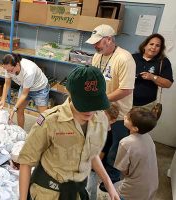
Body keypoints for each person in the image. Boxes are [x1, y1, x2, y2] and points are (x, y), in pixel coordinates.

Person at [18, 65, 120, 200]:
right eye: (84, 103)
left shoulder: (100, 120)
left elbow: (91, 153)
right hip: (48, 193)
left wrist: (109, 184)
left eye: (94, 103)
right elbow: (26, 161)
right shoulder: (50, 121)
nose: (89, 111)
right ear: (69, 93)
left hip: (77, 192)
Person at [85, 24, 136, 188]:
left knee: (116, 146)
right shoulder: (97, 56)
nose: (95, 46)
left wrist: (103, 99)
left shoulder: (124, 58)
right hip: (101, 110)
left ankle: (112, 178)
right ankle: (97, 167)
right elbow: (94, 78)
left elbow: (126, 89)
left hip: (119, 114)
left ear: (109, 40)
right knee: (100, 140)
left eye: (98, 42)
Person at [114, 107, 158, 200]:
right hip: (152, 184)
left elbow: (123, 169)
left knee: (115, 193)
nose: (125, 116)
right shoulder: (148, 137)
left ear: (135, 128)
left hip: (134, 189)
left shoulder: (125, 142)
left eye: (128, 118)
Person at [0, 53, 50, 128]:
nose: (8, 72)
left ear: (17, 64)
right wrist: (2, 100)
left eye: (10, 70)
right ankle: (20, 131)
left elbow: (24, 94)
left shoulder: (29, 71)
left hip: (40, 89)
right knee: (19, 110)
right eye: (7, 70)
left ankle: (41, 134)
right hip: (25, 86)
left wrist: (13, 109)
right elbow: (7, 84)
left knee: (43, 116)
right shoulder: (8, 68)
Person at [133, 33, 174, 110]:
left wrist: (152, 77)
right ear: (145, 45)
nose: (154, 47)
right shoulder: (132, 58)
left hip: (146, 105)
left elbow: (168, 84)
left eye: (157, 46)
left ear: (160, 49)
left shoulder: (163, 61)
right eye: (151, 44)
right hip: (125, 101)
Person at [87, 103, 119, 200]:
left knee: (89, 187)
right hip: (90, 162)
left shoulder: (107, 136)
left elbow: (100, 155)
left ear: (112, 121)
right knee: (90, 186)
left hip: (94, 167)